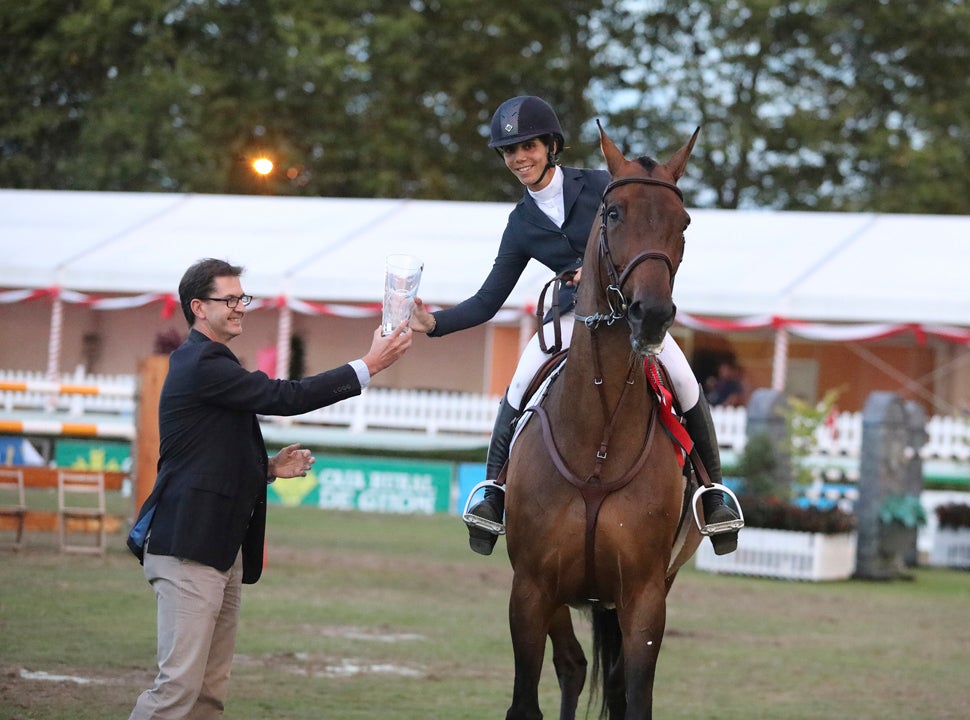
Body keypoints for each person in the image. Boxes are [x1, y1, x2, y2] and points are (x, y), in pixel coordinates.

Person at [408, 95, 741, 557]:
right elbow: (489, 299)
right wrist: (433, 323)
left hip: (630, 317)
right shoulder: (521, 223)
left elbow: (646, 225)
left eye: (528, 146)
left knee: (684, 381)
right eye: (510, 151)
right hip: (572, 320)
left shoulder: (604, 186)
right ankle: (492, 494)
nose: (520, 158)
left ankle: (714, 496)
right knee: (519, 383)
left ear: (551, 146)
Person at [128, 258, 412, 720]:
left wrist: (267, 468)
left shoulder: (212, 362)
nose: (241, 306)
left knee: (207, 695)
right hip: (190, 547)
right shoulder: (203, 361)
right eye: (230, 299)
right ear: (198, 307)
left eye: (243, 297)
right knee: (178, 690)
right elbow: (286, 397)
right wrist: (369, 365)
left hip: (217, 548)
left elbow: (205, 454)